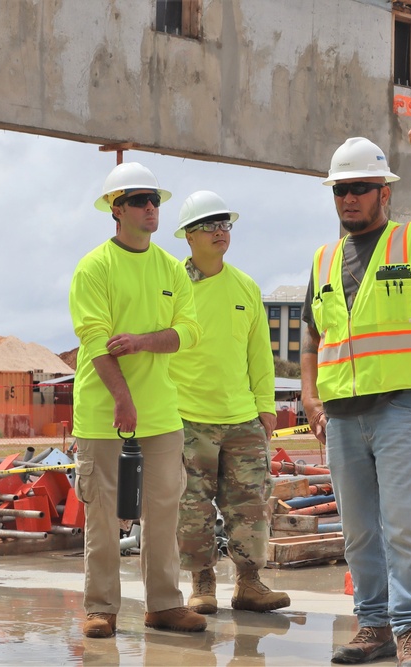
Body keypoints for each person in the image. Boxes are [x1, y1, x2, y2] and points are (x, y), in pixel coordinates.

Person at [301, 103, 411, 667]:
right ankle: (372, 627)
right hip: (342, 416)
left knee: (402, 527)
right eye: (341, 190)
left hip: (397, 410)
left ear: (385, 194)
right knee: (359, 533)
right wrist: (308, 396)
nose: (349, 198)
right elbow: (312, 338)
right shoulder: (323, 260)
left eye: (361, 188)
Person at [69, 161, 206, 638]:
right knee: (104, 516)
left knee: (164, 512)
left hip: (162, 414)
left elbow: (188, 332)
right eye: (140, 201)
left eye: (155, 200)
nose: (151, 207)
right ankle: (102, 608)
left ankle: (165, 604)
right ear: (116, 209)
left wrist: (145, 342)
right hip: (104, 413)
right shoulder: (94, 268)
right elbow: (95, 342)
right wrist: (123, 400)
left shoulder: (171, 268)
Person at [169, 190, 290, 616]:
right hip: (187, 418)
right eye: (210, 225)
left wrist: (266, 409)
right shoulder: (171, 286)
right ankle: (202, 583)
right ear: (188, 235)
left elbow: (259, 353)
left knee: (251, 505)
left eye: (225, 225)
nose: (221, 232)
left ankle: (249, 583)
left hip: (242, 420)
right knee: (193, 507)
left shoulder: (245, 286)